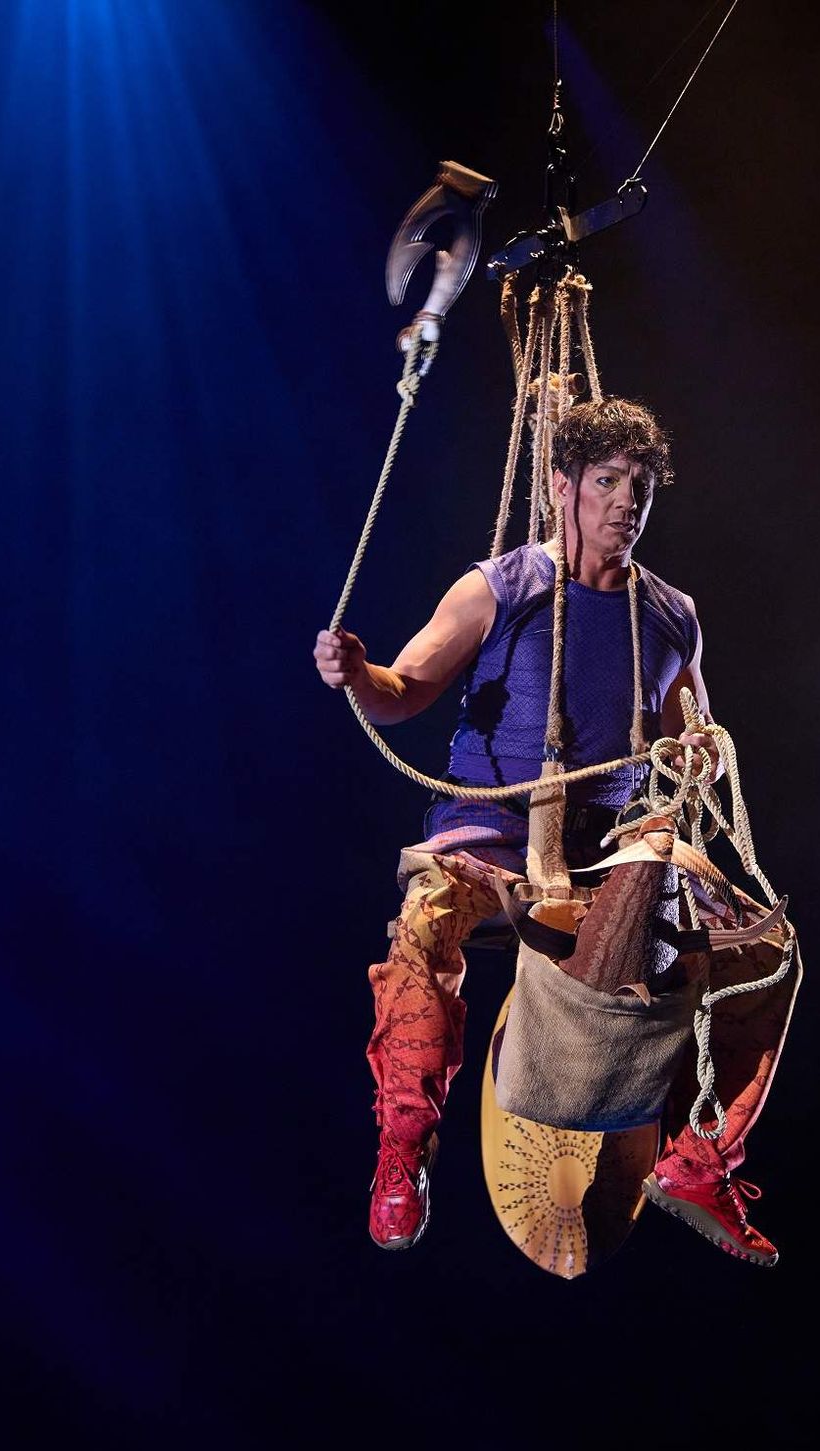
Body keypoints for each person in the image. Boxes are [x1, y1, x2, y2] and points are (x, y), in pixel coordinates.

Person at [314, 397, 786, 1265]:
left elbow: (696, 729)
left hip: (614, 853)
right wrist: (357, 674)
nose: (626, 501)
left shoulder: (673, 615)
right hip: (492, 839)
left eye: (640, 485)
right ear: (562, 487)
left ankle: (698, 1158)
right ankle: (401, 1153)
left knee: (765, 952)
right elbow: (405, 686)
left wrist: (699, 755)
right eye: (607, 480)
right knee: (425, 929)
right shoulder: (501, 588)